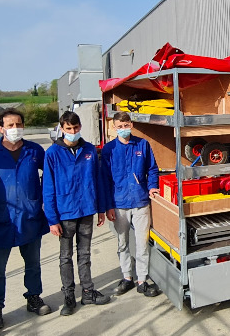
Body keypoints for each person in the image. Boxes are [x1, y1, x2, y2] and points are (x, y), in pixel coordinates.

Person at [0, 108, 52, 329]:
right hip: (1, 218)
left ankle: (33, 297)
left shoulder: (34, 150)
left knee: (33, 264)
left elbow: (50, 175)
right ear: (1, 128)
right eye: (10, 125)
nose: (15, 128)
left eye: (18, 124)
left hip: (30, 216)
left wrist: (43, 199)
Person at [43, 111, 111, 316]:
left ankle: (88, 291)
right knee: (66, 256)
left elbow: (97, 180)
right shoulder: (53, 153)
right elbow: (48, 187)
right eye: (68, 128)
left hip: (87, 209)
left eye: (75, 127)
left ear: (80, 126)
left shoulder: (89, 149)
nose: (72, 131)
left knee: (85, 253)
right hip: (65, 213)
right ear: (61, 129)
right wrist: (52, 219)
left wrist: (101, 209)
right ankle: (69, 295)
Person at [101, 112, 162, 297]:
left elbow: (152, 169)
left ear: (131, 125)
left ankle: (142, 280)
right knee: (122, 243)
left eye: (126, 125)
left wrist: (152, 186)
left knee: (142, 244)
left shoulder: (142, 145)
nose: (123, 129)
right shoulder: (109, 149)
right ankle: (127, 277)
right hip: (119, 203)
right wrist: (108, 206)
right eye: (119, 126)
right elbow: (104, 179)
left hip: (140, 201)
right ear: (114, 128)